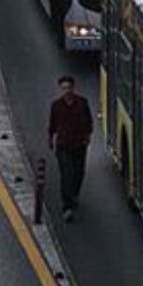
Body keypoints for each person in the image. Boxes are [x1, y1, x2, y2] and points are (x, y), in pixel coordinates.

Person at [48, 75, 93, 221]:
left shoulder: (82, 103)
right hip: (63, 145)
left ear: (73, 88)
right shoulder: (56, 105)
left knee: (79, 172)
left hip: (79, 144)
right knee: (66, 174)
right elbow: (52, 124)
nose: (67, 91)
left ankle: (73, 194)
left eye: (69, 88)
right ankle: (66, 206)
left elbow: (89, 121)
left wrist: (87, 136)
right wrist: (50, 138)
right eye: (64, 88)